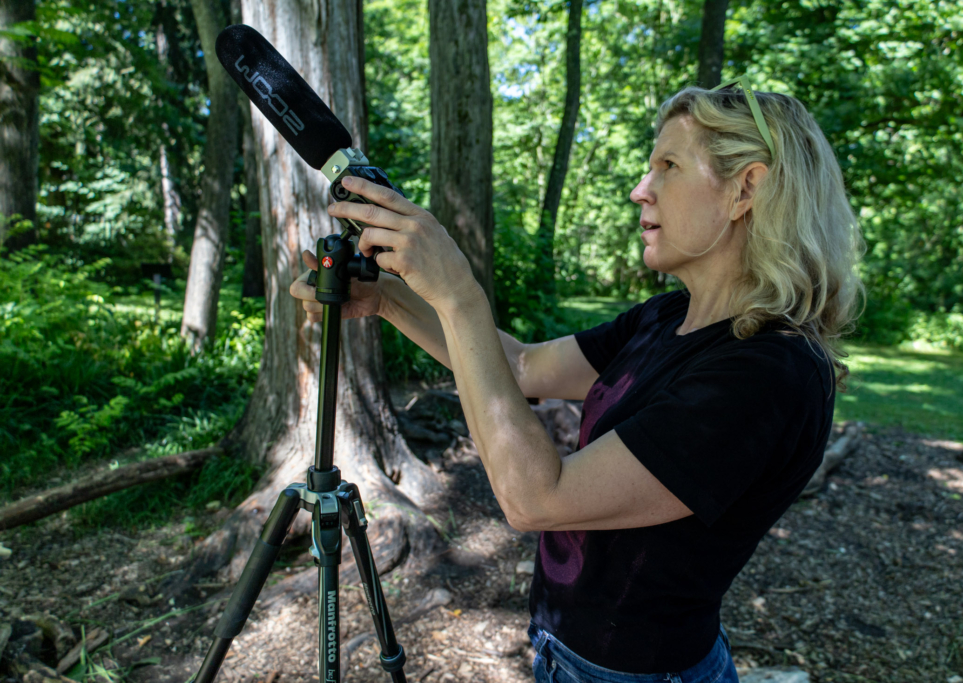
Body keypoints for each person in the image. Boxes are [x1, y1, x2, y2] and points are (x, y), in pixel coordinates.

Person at [290, 79, 863, 683]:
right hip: (568, 650)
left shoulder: (768, 373)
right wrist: (388, 300)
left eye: (668, 165)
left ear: (747, 188)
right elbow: (516, 367)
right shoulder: (670, 315)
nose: (641, 190)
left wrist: (457, 290)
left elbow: (539, 497)